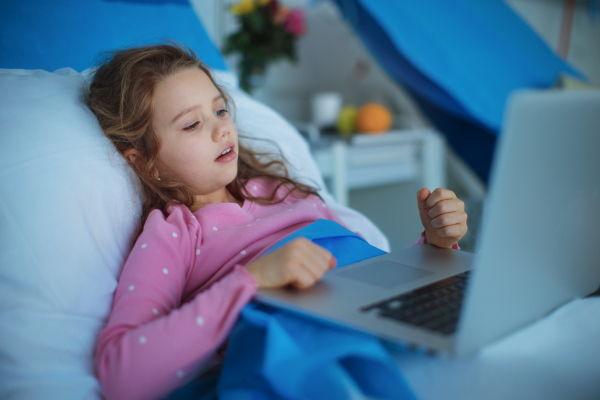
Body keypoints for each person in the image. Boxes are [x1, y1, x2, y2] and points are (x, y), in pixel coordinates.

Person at [85, 42, 468, 400]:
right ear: (143, 160)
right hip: (302, 342)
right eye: (191, 125)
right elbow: (122, 376)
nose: (222, 129)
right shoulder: (176, 233)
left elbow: (366, 280)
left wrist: (434, 246)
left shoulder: (283, 191)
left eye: (220, 110)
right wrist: (252, 280)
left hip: (388, 320)